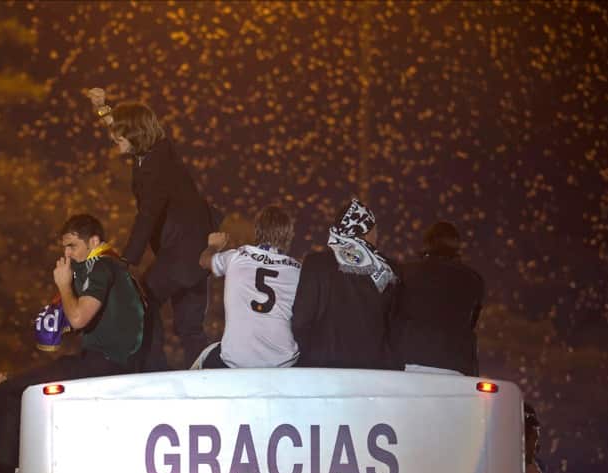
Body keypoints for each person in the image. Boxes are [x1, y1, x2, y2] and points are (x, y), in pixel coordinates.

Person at [0, 214, 145, 473]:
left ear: (94, 241)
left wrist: (64, 285)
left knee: (10, 390)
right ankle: (11, 472)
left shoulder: (102, 265)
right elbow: (60, 332)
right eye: (64, 248)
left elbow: (79, 317)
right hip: (106, 361)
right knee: (15, 387)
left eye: (73, 246)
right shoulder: (110, 267)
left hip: (102, 363)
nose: (67, 254)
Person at [87, 87, 220, 371]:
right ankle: (209, 377)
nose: (114, 141)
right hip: (195, 253)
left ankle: (153, 368)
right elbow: (126, 127)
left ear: (134, 136)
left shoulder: (155, 168)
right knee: (189, 328)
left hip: (182, 253)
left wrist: (125, 261)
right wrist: (104, 110)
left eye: (119, 138)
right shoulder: (157, 150)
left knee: (142, 297)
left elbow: (147, 216)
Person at [291, 199, 399, 369]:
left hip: (323, 370)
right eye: (374, 230)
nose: (377, 236)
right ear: (364, 230)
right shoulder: (388, 270)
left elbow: (300, 321)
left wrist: (312, 354)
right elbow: (393, 328)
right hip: (372, 372)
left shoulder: (316, 264)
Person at [194, 205, 301, 368]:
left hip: (236, 360)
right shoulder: (298, 270)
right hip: (283, 362)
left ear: (257, 231)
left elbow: (204, 261)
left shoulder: (236, 257)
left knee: (205, 356)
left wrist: (213, 245)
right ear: (289, 235)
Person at [389, 221, 484, 375]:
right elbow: (471, 322)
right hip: (456, 364)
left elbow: (390, 314)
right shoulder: (474, 280)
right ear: (456, 246)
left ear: (427, 244)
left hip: (408, 360)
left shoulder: (404, 273)